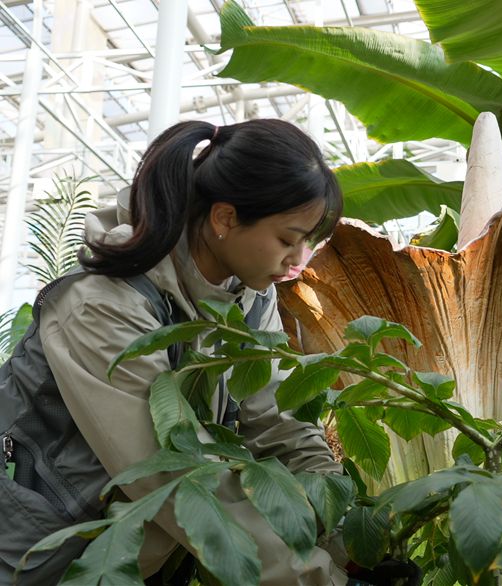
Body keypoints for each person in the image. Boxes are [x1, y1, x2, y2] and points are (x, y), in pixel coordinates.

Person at [0, 119, 351, 585]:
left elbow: (278, 422)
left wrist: (345, 535)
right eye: (287, 239)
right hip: (35, 559)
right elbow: (173, 475)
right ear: (225, 218)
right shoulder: (102, 305)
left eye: (306, 241)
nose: (298, 260)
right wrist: (316, 577)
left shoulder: (248, 296)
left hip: (131, 563)